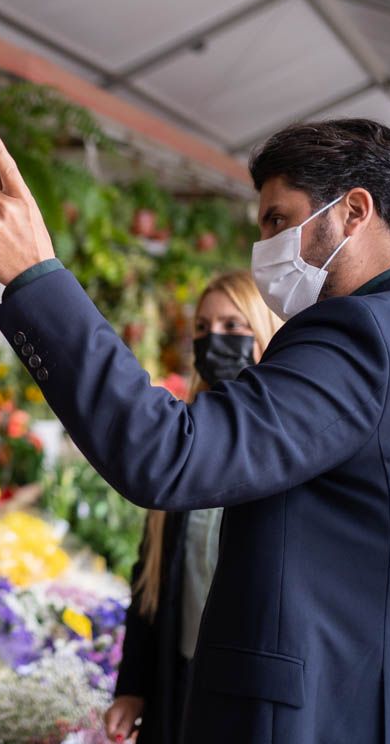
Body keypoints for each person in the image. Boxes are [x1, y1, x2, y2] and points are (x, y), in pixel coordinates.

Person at [0, 120, 390, 743]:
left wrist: (36, 277)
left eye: (279, 220)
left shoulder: (364, 334)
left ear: (355, 211)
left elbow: (168, 454)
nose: (265, 248)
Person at [105, 271, 282, 744]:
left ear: (264, 329)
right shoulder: (185, 440)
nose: (214, 340)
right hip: (180, 679)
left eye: (231, 325)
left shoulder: (286, 445)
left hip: (249, 697)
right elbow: (151, 580)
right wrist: (132, 689)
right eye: (202, 329)